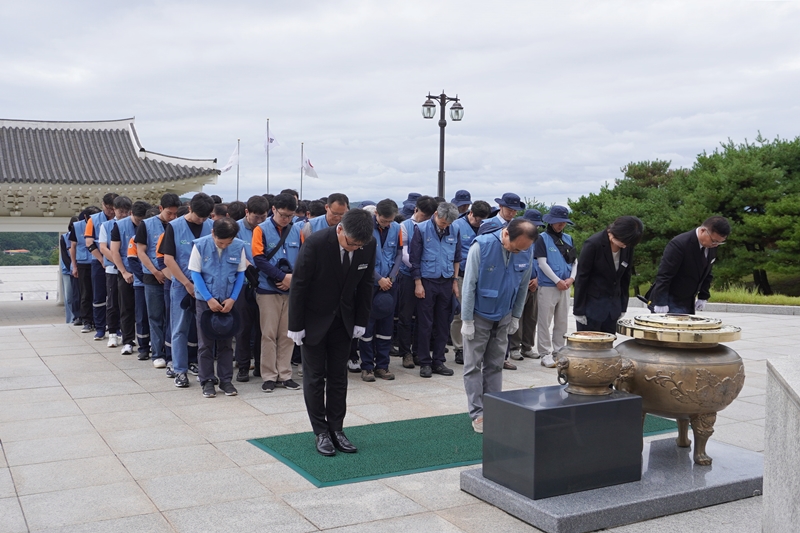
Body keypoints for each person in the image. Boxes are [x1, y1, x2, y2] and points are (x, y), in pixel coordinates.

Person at [287, 209, 376, 456]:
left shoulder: (367, 244)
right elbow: (299, 284)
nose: (354, 248)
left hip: (344, 320)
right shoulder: (316, 243)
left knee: (339, 377)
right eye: (351, 243)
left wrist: (361, 320)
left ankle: (337, 428)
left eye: (359, 246)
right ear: (340, 229)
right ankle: (321, 431)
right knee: (315, 377)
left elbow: (366, 283)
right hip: (313, 320)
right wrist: (295, 325)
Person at [461, 218, 537, 433]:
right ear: (506, 234)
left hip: (504, 315)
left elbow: (523, 286)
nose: (518, 252)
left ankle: (494, 409)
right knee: (473, 366)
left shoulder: (526, 250)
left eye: (522, 249)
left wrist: (516, 316)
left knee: (495, 365)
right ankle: (478, 413)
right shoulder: (481, 247)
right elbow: (469, 285)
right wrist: (467, 320)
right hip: (479, 315)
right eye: (515, 248)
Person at [160, 193, 215, 388]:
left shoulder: (211, 226)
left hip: (206, 286)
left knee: (205, 329)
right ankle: (180, 370)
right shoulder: (174, 227)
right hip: (181, 284)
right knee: (179, 328)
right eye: (199, 216)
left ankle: (204, 369)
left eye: (205, 217)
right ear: (190, 208)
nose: (202, 220)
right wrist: (186, 283)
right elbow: (168, 259)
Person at [189, 217, 247, 398]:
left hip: (228, 300)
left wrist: (233, 299)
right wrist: (208, 298)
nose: (224, 246)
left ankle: (226, 380)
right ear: (213, 233)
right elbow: (195, 273)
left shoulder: (239, 246)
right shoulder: (200, 245)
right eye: (220, 243)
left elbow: (240, 274)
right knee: (205, 343)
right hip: (205, 301)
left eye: (227, 243)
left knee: (226, 342)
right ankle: (206, 380)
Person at [252, 193, 303, 393]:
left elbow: (304, 257)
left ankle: (285, 374)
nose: (286, 219)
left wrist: (292, 279)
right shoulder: (261, 230)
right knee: (268, 334)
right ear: (273, 209)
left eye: (290, 216)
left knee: (287, 334)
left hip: (291, 290)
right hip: (267, 290)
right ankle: (269, 376)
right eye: (283, 215)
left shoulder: (297, 230)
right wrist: (282, 277)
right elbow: (258, 258)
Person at [410, 202, 462, 378]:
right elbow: (414, 259)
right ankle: (425, 362)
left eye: (448, 224)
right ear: (435, 214)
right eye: (442, 222)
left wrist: (454, 281)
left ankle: (439, 361)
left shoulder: (455, 230)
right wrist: (418, 283)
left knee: (443, 323)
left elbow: (457, 257)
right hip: (427, 281)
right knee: (425, 323)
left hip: (446, 281)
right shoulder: (421, 229)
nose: (445, 226)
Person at [572, 216, 643, 333]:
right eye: (624, 242)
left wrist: (622, 306)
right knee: (590, 342)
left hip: (612, 309)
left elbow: (626, 277)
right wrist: (578, 310)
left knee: (608, 342)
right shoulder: (593, 244)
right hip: (591, 307)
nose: (625, 246)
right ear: (616, 234)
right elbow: (581, 277)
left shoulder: (627, 246)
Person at [358, 199, 402, 382]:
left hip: (389, 284)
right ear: (376, 213)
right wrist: (379, 279)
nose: (387, 224)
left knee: (386, 326)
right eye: (384, 221)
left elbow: (399, 253)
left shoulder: (397, 228)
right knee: (367, 328)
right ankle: (367, 367)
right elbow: (360, 257)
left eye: (390, 221)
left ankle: (383, 366)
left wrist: (391, 277)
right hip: (370, 283)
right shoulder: (365, 228)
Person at [649, 216, 730, 315]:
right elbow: (664, 275)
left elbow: (707, 272)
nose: (716, 244)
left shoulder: (711, 246)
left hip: (688, 302)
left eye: (720, 242)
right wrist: (661, 302)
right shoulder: (679, 244)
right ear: (703, 231)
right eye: (714, 241)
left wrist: (703, 296)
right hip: (669, 300)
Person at [136, 193, 181, 370]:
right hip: (152, 276)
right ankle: (157, 353)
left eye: (175, 213)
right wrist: (156, 271)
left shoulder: (178, 224)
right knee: (155, 316)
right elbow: (141, 251)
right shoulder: (146, 225)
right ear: (160, 208)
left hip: (173, 276)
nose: (173, 217)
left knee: (172, 317)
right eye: (169, 213)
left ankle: (171, 354)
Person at [395, 195, 438, 369]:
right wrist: (416, 269)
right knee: (406, 315)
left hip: (427, 277)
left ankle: (419, 351)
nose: (425, 219)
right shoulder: (404, 226)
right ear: (415, 210)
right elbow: (404, 253)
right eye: (423, 215)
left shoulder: (433, 227)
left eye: (429, 216)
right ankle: (405, 352)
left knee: (424, 316)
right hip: (408, 274)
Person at [535, 205, 578, 368]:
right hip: (548, 285)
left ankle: (559, 350)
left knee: (562, 320)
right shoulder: (542, 238)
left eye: (563, 222)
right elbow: (542, 263)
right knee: (545, 320)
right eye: (558, 221)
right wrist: (556, 280)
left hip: (566, 285)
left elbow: (574, 261)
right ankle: (545, 353)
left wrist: (572, 278)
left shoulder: (568, 238)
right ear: (551, 221)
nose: (561, 225)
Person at [449, 200, 491, 365]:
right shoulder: (457, 225)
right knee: (460, 313)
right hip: (462, 275)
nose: (479, 223)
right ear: (470, 213)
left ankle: (476, 347)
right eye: (477, 219)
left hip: (482, 276)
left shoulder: (488, 226)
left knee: (478, 314)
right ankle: (459, 348)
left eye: (482, 220)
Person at [233, 195, 269, 382]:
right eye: (256, 217)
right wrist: (249, 267)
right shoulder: (236, 228)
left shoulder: (268, 227)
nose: (260, 221)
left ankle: (261, 365)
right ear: (247, 212)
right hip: (243, 284)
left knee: (263, 328)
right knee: (243, 328)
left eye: (263, 217)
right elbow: (236, 252)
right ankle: (243, 366)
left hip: (265, 284)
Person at [110, 200, 150, 357]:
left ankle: (147, 340)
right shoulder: (119, 226)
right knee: (126, 308)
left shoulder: (149, 224)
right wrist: (124, 272)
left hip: (145, 272)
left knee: (145, 310)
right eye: (138, 220)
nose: (141, 223)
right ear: (131, 213)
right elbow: (114, 251)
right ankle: (127, 341)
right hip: (126, 272)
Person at [508, 209, 546, 360]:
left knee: (531, 317)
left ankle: (527, 346)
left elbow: (542, 261)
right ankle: (514, 347)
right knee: (518, 315)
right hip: (519, 282)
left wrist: (537, 279)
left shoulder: (539, 240)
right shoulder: (517, 237)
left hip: (534, 282)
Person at [98, 196, 131, 349]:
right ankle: (112, 333)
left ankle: (126, 333)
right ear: (114, 210)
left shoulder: (133, 224)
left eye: (126, 212)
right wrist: (120, 264)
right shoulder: (106, 226)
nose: (123, 215)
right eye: (120, 211)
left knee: (127, 304)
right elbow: (103, 248)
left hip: (130, 269)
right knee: (112, 302)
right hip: (113, 269)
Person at [84, 193, 118, 341]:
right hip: (99, 261)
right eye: (108, 208)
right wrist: (102, 260)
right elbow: (89, 243)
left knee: (116, 296)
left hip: (118, 262)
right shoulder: (93, 220)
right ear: (103, 205)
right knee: (99, 295)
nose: (110, 211)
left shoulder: (122, 219)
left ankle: (117, 327)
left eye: (113, 208)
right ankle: (100, 328)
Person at [70, 207, 100, 332]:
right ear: (86, 217)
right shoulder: (77, 226)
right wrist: (74, 266)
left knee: (98, 293)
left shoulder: (101, 223)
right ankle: (87, 321)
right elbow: (72, 247)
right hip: (83, 263)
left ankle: (99, 321)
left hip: (97, 261)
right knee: (85, 293)